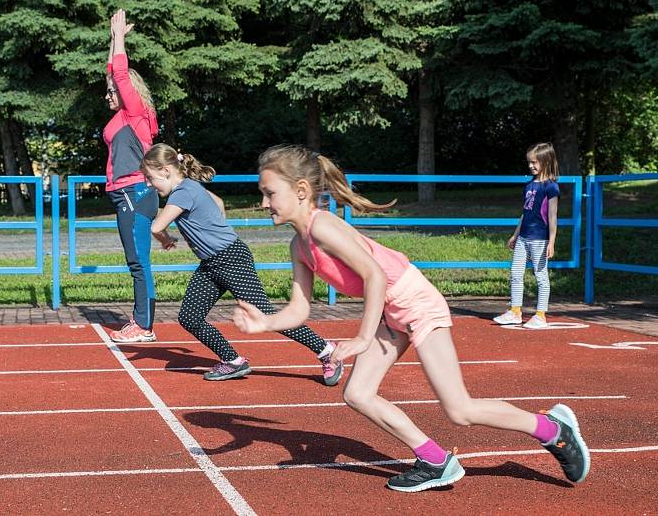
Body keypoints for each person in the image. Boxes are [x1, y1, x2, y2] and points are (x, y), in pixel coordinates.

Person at [233, 144, 589, 492]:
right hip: (393, 310)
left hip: (416, 302)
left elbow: (374, 275)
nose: (264, 203)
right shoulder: (299, 246)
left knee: (459, 410)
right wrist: (265, 323)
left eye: (269, 193)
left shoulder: (322, 226)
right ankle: (434, 459)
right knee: (357, 393)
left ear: (300, 190)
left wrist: (361, 338)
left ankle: (552, 430)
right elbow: (300, 308)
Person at [140, 143, 343, 385]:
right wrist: (216, 229)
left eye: (150, 178)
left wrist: (165, 240)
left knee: (265, 314)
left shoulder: (183, 192)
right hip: (211, 263)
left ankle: (326, 351)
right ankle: (233, 361)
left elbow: (156, 226)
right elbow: (218, 203)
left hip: (231, 257)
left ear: (165, 171)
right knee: (190, 317)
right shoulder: (191, 188)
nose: (148, 184)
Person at [103, 9, 159, 343]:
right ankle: (142, 318)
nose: (107, 94)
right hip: (124, 194)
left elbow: (120, 76)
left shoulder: (136, 113)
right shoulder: (123, 116)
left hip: (135, 193)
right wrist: (113, 40)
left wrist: (122, 39)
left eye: (112, 92)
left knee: (138, 262)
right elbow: (112, 73)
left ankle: (144, 325)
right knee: (135, 261)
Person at [494, 143, 561, 329]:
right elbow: (525, 212)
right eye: (529, 162)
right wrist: (515, 235)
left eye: (534, 162)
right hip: (523, 238)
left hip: (540, 239)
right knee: (515, 273)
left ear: (546, 162)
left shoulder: (551, 187)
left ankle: (540, 315)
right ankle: (515, 311)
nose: (531, 166)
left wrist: (552, 241)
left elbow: (552, 216)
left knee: (541, 275)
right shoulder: (529, 185)